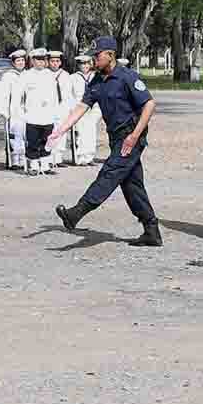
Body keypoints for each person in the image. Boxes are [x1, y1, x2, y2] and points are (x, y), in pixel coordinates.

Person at [49, 36, 160, 246]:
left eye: (97, 56)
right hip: (116, 137)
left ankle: (76, 213)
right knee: (132, 185)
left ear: (110, 55)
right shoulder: (97, 81)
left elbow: (149, 104)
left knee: (109, 174)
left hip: (131, 137)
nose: (94, 60)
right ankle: (151, 230)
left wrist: (134, 135)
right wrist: (60, 130)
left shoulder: (127, 77)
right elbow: (82, 107)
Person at [19, 46, 61, 176]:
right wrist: (19, 113)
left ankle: (45, 165)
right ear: (32, 61)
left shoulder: (50, 75)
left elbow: (54, 96)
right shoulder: (26, 75)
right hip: (32, 115)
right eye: (38, 60)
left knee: (46, 141)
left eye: (43, 60)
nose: (41, 62)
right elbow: (18, 95)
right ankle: (33, 166)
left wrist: (56, 114)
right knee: (33, 141)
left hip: (47, 115)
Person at [68, 54, 100, 165]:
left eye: (87, 63)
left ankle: (89, 156)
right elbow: (70, 94)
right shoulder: (73, 77)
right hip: (79, 107)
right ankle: (80, 157)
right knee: (81, 132)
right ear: (78, 65)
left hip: (93, 108)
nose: (85, 66)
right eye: (82, 64)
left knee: (91, 132)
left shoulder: (96, 76)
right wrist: (72, 108)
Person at [3, 49, 28, 169]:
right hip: (14, 109)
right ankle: (14, 160)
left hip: (26, 109)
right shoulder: (8, 76)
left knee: (25, 135)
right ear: (13, 63)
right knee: (14, 135)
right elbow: (4, 95)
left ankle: (23, 160)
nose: (21, 62)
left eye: (22, 60)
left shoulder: (28, 75)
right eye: (18, 60)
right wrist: (5, 111)